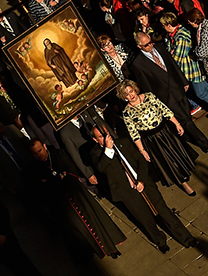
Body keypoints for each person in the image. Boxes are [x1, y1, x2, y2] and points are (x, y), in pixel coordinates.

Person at [82, 124, 196, 252]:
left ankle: (186, 238)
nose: (106, 138)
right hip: (127, 192)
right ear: (95, 140)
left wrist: (141, 180)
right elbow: (101, 168)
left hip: (144, 183)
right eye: (101, 137)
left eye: (106, 134)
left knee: (164, 211)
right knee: (145, 219)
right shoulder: (96, 153)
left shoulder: (123, 142)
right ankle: (160, 240)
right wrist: (108, 150)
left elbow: (141, 161)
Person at [24, 140, 125, 260]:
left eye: (40, 150)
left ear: (45, 146)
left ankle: (111, 249)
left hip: (78, 195)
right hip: (63, 203)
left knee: (95, 221)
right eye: (35, 153)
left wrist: (54, 180)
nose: (39, 155)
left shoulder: (60, 154)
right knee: (80, 231)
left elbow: (72, 171)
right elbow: (44, 189)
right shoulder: (35, 168)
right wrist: (59, 177)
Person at [127, 31, 208, 153]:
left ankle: (187, 136)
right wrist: (156, 103)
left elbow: (173, 65)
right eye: (146, 45)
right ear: (139, 47)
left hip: (177, 88)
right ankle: (203, 142)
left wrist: (184, 81)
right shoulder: (138, 64)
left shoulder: (160, 48)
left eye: (150, 42)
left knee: (186, 115)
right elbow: (146, 86)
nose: (150, 46)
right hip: (165, 97)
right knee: (185, 120)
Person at [117, 79, 198, 196]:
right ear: (124, 97)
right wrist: (142, 150)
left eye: (131, 91)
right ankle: (184, 184)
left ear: (135, 89)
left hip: (166, 132)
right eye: (127, 94)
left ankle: (184, 172)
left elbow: (164, 110)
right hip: (152, 141)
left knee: (177, 154)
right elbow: (133, 133)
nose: (131, 95)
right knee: (168, 162)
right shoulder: (126, 112)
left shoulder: (149, 96)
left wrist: (177, 124)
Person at [159, 12, 208, 123]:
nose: (163, 27)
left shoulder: (181, 36)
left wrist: (171, 54)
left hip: (192, 68)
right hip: (187, 69)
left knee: (201, 92)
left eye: (164, 25)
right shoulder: (173, 35)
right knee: (205, 88)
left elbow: (177, 56)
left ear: (169, 25)